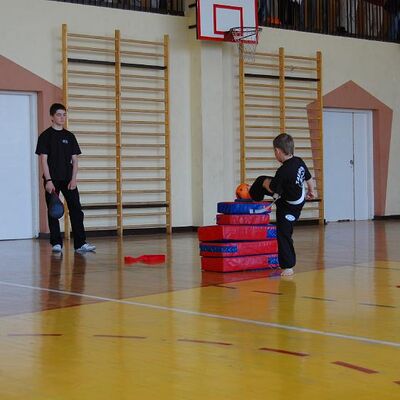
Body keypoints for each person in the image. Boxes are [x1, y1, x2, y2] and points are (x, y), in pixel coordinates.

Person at [249, 133, 314, 277]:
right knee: (262, 180)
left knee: (283, 233)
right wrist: (311, 191)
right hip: (296, 198)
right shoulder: (299, 161)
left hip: (289, 206)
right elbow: (308, 177)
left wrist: (265, 183)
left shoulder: (283, 171)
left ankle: (288, 266)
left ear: (277, 151)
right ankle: (254, 195)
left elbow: (273, 189)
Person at [35, 103, 96, 253]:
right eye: (59, 115)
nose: (62, 118)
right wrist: (48, 181)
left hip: (68, 179)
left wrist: (74, 179)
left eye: (64, 115)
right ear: (52, 117)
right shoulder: (45, 136)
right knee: (54, 211)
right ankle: (56, 243)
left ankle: (80, 244)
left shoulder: (70, 136)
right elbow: (43, 160)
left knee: (76, 210)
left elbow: (75, 160)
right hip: (52, 180)